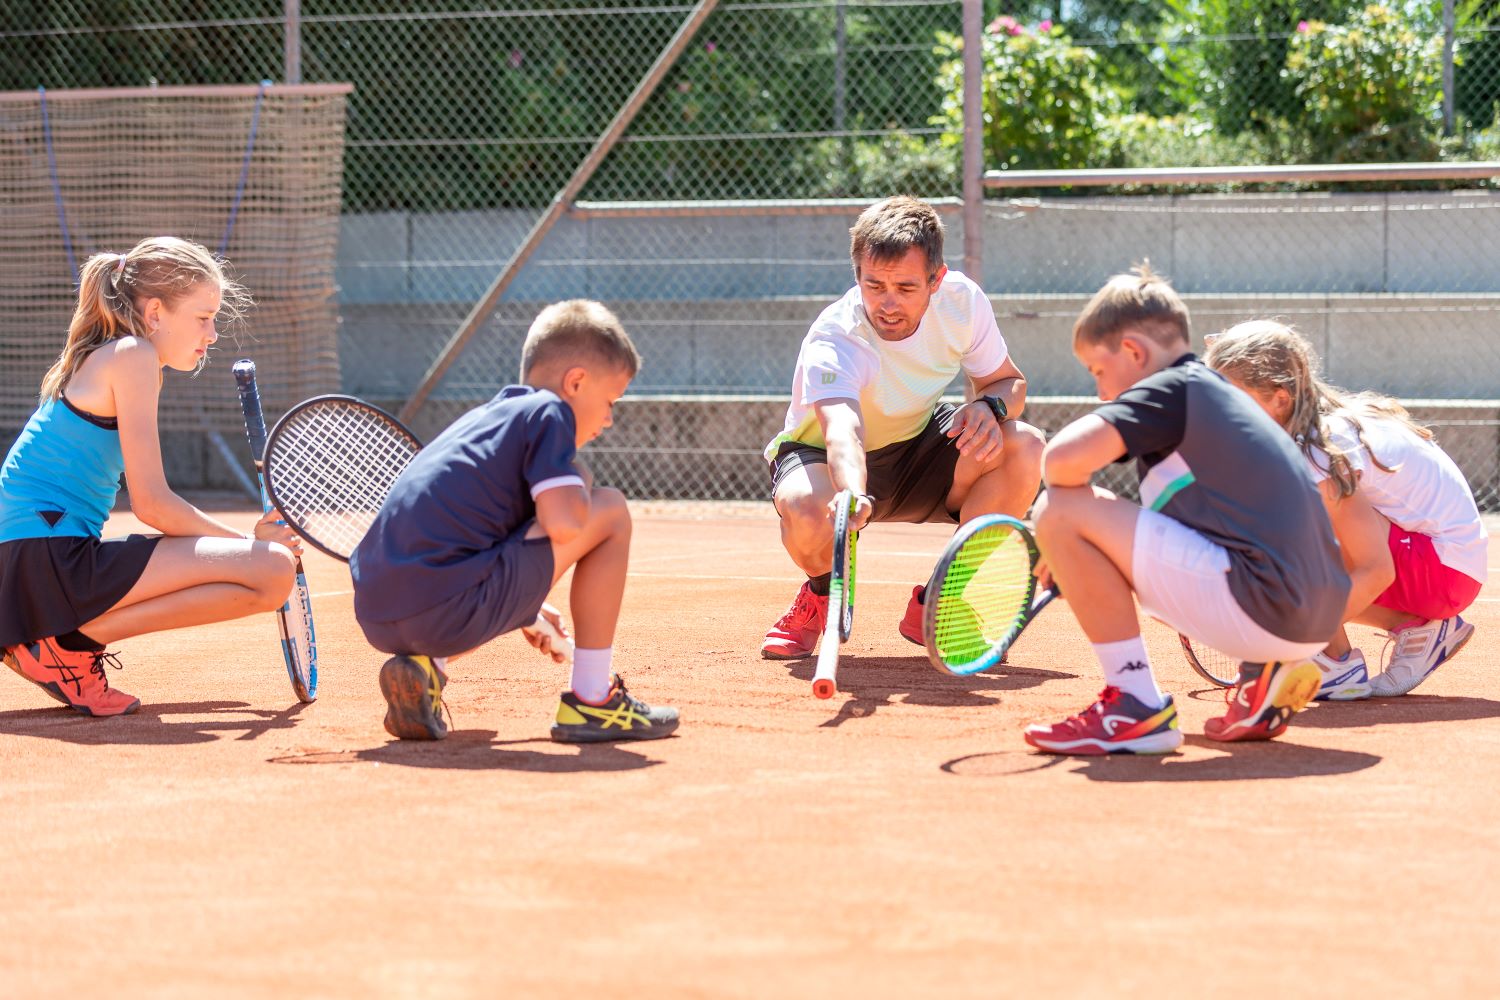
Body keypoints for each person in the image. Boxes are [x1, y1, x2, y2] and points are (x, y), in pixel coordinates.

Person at [1023, 265, 1350, 754]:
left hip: (1265, 607)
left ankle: (1134, 703)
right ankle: (1263, 671)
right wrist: (1082, 558)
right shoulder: (1218, 399)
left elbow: (1059, 460)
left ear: (1133, 351)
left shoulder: (1173, 389)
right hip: (1316, 620)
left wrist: (1061, 542)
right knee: (1093, 514)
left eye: (1098, 371)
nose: (1101, 392)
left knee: (1057, 509)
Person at [350, 299, 679, 744]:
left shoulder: (486, 421)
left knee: (573, 514)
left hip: (379, 614)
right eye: (609, 401)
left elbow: (472, 535)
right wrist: (581, 478)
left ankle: (428, 668)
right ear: (576, 382)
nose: (608, 420)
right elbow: (564, 524)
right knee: (611, 510)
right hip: (446, 610)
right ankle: (594, 698)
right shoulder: (550, 412)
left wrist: (524, 608)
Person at [1, 237, 298, 717]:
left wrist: (250, 547)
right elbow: (153, 505)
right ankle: (65, 645)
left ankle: (66, 642)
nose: (214, 333)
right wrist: (249, 542)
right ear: (156, 312)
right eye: (203, 318)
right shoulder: (133, 355)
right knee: (271, 569)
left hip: (37, 560)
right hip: (48, 559)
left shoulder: (124, 357)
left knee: (269, 574)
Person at [761, 195, 1045, 658]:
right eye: (874, 285)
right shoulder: (836, 335)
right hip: (827, 458)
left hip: (917, 446)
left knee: (1025, 445)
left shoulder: (962, 303)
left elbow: (1009, 383)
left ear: (937, 279)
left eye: (905, 288)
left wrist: (991, 407)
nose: (887, 304)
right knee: (806, 509)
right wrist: (852, 491)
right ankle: (818, 594)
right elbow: (842, 430)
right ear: (857, 277)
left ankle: (941, 602)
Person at [1205, 321, 1485, 698]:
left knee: (1285, 535)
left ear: (1280, 398)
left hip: (1444, 571)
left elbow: (1375, 569)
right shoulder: (1313, 425)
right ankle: (1414, 626)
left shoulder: (1321, 444)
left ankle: (1334, 665)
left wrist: (1292, 641)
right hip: (1447, 565)